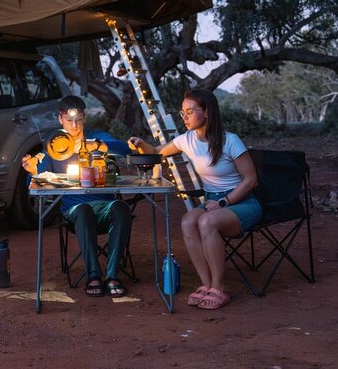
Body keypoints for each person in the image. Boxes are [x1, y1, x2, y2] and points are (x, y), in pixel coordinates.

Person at [127, 88, 258, 310]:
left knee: (206, 221)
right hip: (212, 202)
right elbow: (157, 151)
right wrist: (140, 144)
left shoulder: (230, 141)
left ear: (207, 112)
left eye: (190, 111)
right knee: (188, 220)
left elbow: (251, 180)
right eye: (182, 112)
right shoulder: (186, 139)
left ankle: (219, 288)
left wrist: (224, 202)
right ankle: (206, 285)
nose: (185, 116)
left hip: (241, 203)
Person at [22, 95, 133, 298]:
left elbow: (126, 149)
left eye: (79, 119)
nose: (74, 125)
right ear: (60, 119)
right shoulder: (55, 145)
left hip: (104, 206)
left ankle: (111, 275)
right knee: (84, 210)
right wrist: (32, 171)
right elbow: (39, 180)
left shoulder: (96, 137)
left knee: (121, 207)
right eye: (69, 120)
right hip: (74, 210)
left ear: (84, 118)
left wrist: (97, 145)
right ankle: (93, 274)